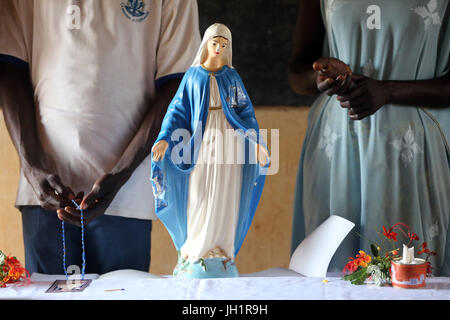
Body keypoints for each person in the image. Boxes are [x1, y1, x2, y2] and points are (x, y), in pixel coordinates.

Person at [0, 0, 201, 275]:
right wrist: (32, 166)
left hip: (126, 194)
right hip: (44, 192)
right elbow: (10, 66)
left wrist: (121, 173)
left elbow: (178, 81)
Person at [289, 0, 450, 275]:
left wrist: (388, 91)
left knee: (409, 274)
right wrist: (321, 77)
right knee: (329, 272)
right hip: (337, 146)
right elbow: (298, 71)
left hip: (411, 148)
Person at [150, 23, 269, 278]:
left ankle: (222, 251)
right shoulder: (193, 76)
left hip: (229, 142)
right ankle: (196, 250)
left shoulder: (231, 78)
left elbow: (245, 113)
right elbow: (177, 111)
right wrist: (164, 138)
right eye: (215, 43)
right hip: (202, 144)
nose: (218, 49)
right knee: (200, 192)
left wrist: (257, 142)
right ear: (206, 44)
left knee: (226, 195)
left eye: (223, 45)